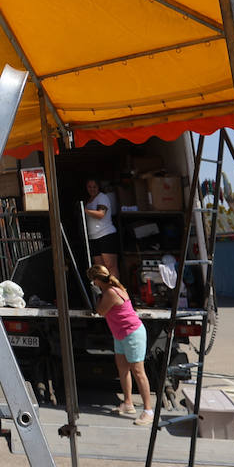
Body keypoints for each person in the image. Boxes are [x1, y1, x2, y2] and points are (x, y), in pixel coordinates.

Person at [90, 264, 155, 426]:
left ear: (97, 280)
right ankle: (128, 403)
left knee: (138, 372)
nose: (93, 284)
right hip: (120, 334)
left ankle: (148, 411)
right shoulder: (113, 288)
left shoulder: (111, 292)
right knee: (122, 368)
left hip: (133, 334)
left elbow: (100, 311)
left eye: (93, 281)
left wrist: (97, 296)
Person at [83, 179, 119, 282]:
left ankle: (115, 291)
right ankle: (105, 292)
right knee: (100, 268)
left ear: (98, 187)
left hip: (105, 234)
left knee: (110, 266)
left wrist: (84, 210)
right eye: (90, 187)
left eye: (94, 186)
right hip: (94, 237)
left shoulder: (102, 197)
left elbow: (101, 214)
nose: (92, 189)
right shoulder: (89, 200)